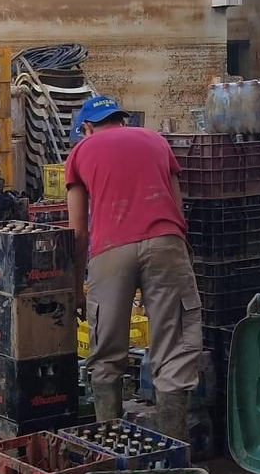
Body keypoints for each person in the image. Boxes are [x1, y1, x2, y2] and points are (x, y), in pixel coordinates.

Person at [64, 95, 201, 440]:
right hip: (166, 242)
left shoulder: (81, 152)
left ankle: (109, 448)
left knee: (107, 354)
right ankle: (175, 452)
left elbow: (78, 231)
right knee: (173, 350)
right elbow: (177, 207)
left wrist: (75, 288)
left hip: (110, 251)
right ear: (122, 121)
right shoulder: (156, 140)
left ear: (87, 128)